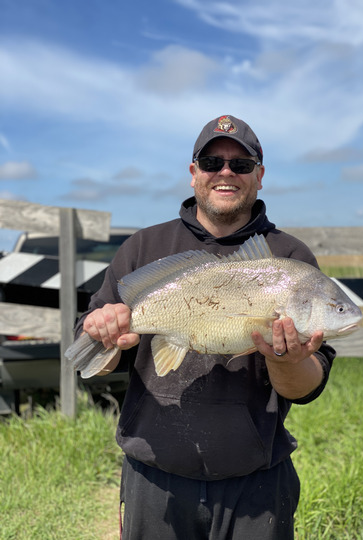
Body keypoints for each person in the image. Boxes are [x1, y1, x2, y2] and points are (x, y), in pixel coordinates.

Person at [75, 114, 336, 540]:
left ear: (260, 175)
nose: (226, 173)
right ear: (194, 172)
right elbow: (90, 359)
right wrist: (101, 333)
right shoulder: (144, 246)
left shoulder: (289, 258)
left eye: (242, 164)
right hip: (154, 475)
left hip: (257, 483)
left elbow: (304, 388)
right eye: (213, 162)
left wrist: (286, 359)